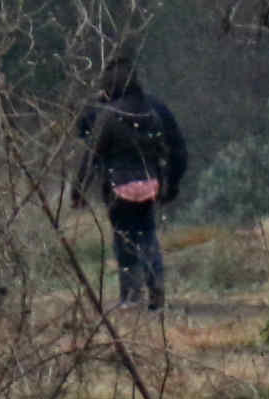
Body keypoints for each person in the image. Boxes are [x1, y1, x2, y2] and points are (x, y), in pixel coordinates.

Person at [76, 52, 189, 311]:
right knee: (148, 236)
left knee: (123, 238)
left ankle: (130, 294)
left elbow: (89, 149)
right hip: (150, 186)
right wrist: (169, 183)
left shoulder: (106, 114)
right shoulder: (152, 111)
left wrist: (78, 189)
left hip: (118, 187)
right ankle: (156, 290)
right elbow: (170, 149)